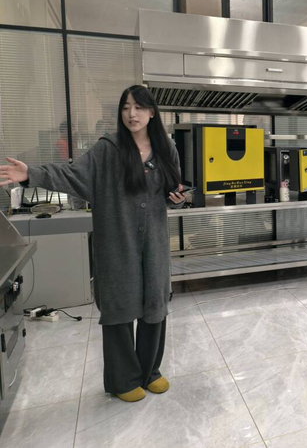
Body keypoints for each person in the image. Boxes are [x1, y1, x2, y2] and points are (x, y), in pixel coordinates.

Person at [0, 85, 186, 403]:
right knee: (119, 306)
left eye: (138, 107)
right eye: (125, 107)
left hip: (154, 242)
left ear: (152, 112)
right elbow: (73, 174)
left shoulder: (166, 148)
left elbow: (173, 189)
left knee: (155, 304)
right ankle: (123, 379)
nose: (131, 113)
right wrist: (32, 174)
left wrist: (177, 198)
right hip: (117, 242)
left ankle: (150, 372)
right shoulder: (108, 149)